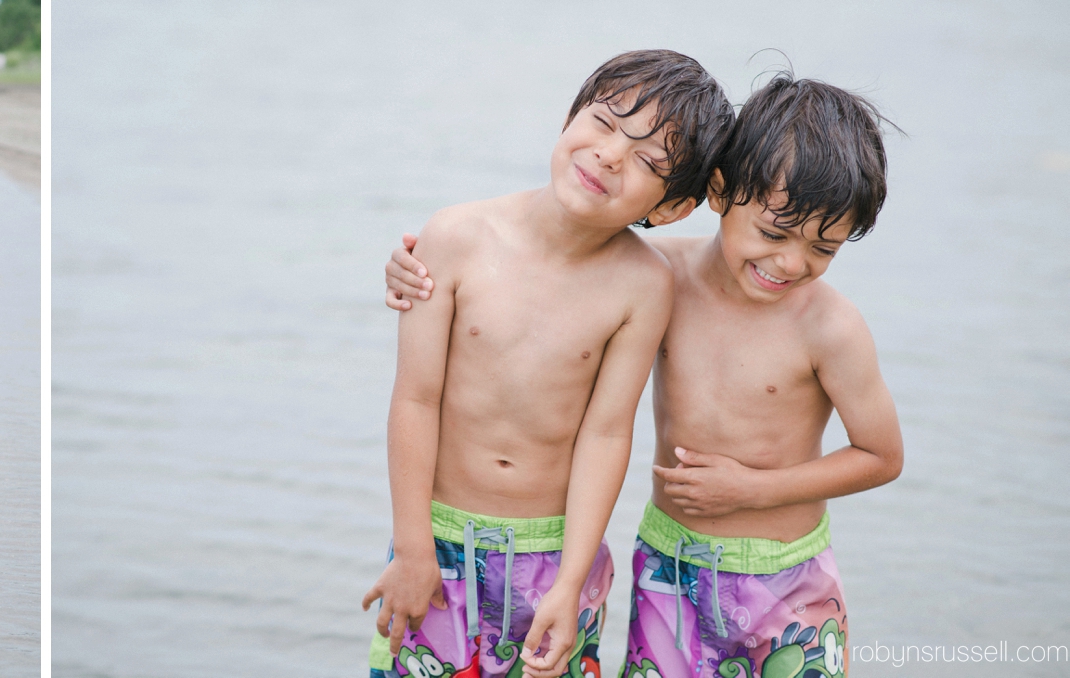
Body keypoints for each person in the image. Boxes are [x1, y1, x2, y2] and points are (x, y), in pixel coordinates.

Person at [381, 74, 903, 678]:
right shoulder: (659, 277)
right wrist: (411, 271)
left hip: (786, 579)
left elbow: (882, 455)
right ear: (716, 193)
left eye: (825, 248)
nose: (791, 262)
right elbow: (548, 281)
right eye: (773, 233)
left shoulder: (830, 326)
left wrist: (751, 490)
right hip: (668, 567)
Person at [359, 50, 733, 678]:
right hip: (437, 542)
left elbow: (607, 430)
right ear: (569, 117)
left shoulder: (643, 284)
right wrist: (415, 545)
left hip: (553, 556)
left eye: (648, 161)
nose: (612, 155)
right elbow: (415, 398)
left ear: (670, 208)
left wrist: (572, 578)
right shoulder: (455, 237)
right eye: (606, 122)